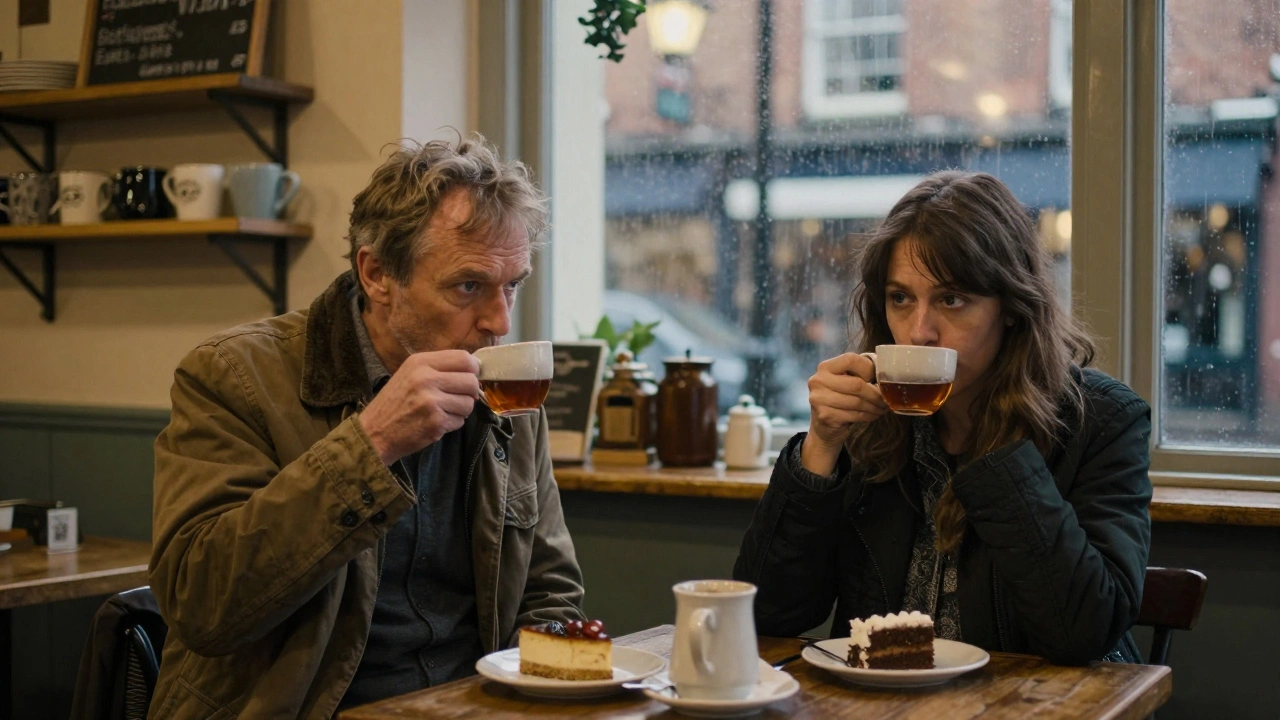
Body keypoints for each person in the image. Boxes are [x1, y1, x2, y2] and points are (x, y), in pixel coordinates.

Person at [148, 135, 586, 719]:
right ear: (377, 274)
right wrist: (370, 445)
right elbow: (200, 603)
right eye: (468, 286)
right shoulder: (235, 375)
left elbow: (550, 591)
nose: (499, 322)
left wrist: (547, 696)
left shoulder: (502, 393)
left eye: (512, 285)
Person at [733, 171, 1152, 664]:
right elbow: (766, 616)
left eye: (952, 299)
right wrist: (822, 446)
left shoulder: (1101, 421)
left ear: (1012, 307)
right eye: (900, 299)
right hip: (883, 703)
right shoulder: (869, 425)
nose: (920, 332)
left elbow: (1085, 633)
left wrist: (997, 443)